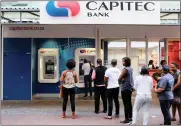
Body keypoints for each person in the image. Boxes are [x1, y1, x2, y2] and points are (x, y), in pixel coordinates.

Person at [119, 57, 134, 124]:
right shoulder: (130, 69)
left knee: (126, 104)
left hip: (125, 88)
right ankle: (130, 117)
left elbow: (119, 78)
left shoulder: (125, 69)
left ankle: (126, 119)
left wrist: (121, 81)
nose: (122, 63)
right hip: (129, 88)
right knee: (129, 103)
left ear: (126, 62)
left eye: (123, 61)